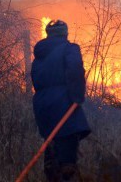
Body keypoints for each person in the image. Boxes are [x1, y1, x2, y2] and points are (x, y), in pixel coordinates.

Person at [31, 20, 91, 181]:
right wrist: (77, 96)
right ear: (65, 33)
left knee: (52, 144)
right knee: (67, 152)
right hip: (63, 102)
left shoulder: (39, 55)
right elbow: (75, 70)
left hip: (41, 105)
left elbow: (36, 81)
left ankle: (52, 175)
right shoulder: (69, 48)